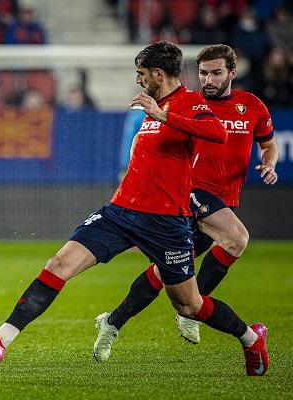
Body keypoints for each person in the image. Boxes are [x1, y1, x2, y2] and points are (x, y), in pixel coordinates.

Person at [0, 41, 269, 376]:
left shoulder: (190, 103)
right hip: (120, 213)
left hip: (166, 222)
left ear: (159, 75)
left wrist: (163, 115)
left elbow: (217, 132)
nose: (138, 80)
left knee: (189, 305)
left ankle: (250, 338)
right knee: (59, 263)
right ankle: (0, 338)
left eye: (142, 75)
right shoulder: (151, 107)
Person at [94, 44, 278, 356]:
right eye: (203, 72)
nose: (208, 79)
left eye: (216, 73)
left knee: (168, 269)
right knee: (236, 239)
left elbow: (268, 143)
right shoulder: (188, 103)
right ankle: (190, 312)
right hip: (191, 191)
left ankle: (113, 321)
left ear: (232, 73)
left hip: (224, 198)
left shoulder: (252, 106)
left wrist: (269, 163)